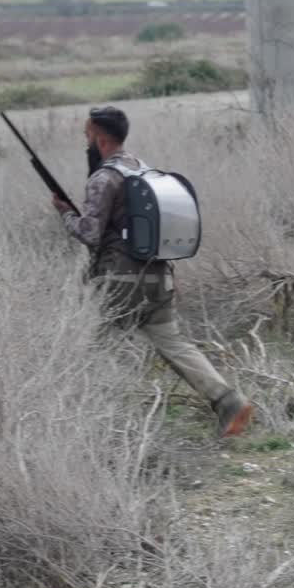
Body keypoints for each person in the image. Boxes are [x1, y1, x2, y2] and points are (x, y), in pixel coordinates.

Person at [52, 105, 253, 438]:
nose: (85, 143)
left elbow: (89, 234)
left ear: (100, 140)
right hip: (159, 277)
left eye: (87, 137)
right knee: (173, 344)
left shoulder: (103, 178)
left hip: (120, 281)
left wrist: (64, 213)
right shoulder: (142, 169)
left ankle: (83, 423)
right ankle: (229, 401)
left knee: (89, 344)